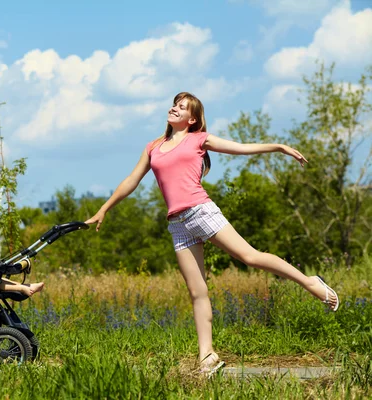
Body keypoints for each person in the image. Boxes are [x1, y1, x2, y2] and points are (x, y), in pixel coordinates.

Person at [85, 92, 339, 377]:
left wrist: (277, 147)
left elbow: (240, 148)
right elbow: (132, 180)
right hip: (177, 224)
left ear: (192, 119)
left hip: (201, 211)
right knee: (197, 292)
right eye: (174, 104)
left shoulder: (199, 139)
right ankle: (207, 356)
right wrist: (104, 208)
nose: (174, 108)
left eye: (182, 107)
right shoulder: (154, 146)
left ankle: (311, 282)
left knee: (250, 257)